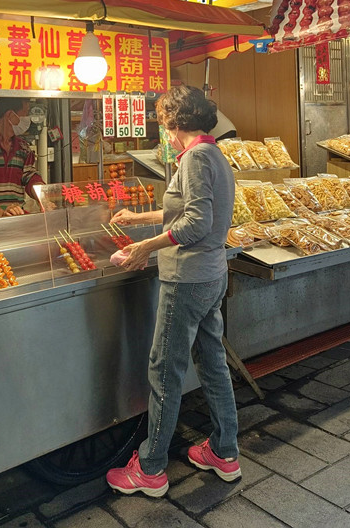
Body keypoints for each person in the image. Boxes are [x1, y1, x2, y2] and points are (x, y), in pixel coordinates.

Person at [106, 84, 240, 498]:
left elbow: (195, 223)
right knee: (213, 362)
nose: (161, 128)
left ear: (174, 122)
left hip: (188, 279)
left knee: (165, 370)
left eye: (163, 121)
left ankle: (151, 468)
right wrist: (138, 217)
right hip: (211, 276)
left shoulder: (196, 158)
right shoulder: (211, 153)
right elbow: (183, 209)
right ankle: (224, 451)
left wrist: (145, 245)